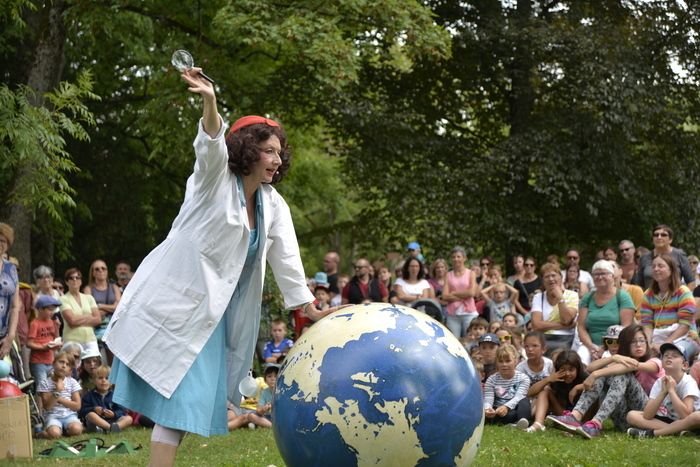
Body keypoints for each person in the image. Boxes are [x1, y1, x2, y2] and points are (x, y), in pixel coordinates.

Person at [103, 65, 341, 467]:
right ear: (248, 150)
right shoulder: (213, 182)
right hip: (176, 304)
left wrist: (303, 304)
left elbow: (285, 254)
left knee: (178, 405)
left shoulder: (272, 203)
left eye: (279, 153)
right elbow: (211, 144)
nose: (276, 160)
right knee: (177, 403)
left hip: (217, 318)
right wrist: (209, 102)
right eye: (268, 151)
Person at [547, 325, 664, 439]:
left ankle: (596, 423)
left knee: (618, 374)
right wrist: (612, 358)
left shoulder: (655, 361)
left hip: (649, 417)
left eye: (642, 341)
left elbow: (632, 366)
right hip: (625, 422)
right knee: (605, 373)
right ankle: (576, 416)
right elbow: (590, 368)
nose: (638, 345)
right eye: (633, 342)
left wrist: (595, 374)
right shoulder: (619, 362)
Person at [626, 341, 699, 438]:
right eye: (666, 355)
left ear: (684, 365)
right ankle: (678, 431)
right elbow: (647, 415)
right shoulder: (660, 382)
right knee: (632, 415)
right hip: (669, 419)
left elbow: (686, 415)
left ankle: (652, 434)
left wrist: (672, 391)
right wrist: (663, 392)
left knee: (697, 416)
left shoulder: (688, 382)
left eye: (674, 355)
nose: (669, 357)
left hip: (689, 421)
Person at [576, 260, 635, 365]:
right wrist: (592, 347)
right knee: (579, 361)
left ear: (612, 276)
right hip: (590, 345)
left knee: (606, 364)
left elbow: (626, 328)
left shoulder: (622, 297)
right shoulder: (587, 298)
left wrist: (605, 347)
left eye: (603, 273)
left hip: (616, 345)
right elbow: (581, 327)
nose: (599, 277)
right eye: (596, 274)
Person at [640, 253, 698, 356]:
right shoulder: (648, 295)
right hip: (657, 338)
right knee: (642, 353)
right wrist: (648, 344)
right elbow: (647, 325)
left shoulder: (683, 292)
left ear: (671, 270)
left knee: (671, 353)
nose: (656, 269)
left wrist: (665, 344)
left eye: (660, 266)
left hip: (686, 338)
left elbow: (685, 326)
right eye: (653, 266)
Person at [524, 350, 588, 433]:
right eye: (563, 370)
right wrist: (548, 379)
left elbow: (596, 386)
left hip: (582, 416)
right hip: (563, 416)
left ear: (578, 369)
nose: (567, 373)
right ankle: (538, 423)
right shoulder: (557, 378)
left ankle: (584, 426)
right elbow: (529, 393)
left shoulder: (584, 377)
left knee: (591, 390)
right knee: (545, 390)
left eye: (571, 370)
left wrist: (578, 388)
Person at [530, 262, 578, 355]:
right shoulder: (538, 297)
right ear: (543, 281)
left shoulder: (572, 295)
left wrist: (560, 298)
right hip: (543, 340)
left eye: (553, 275)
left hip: (566, 340)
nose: (551, 279)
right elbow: (536, 325)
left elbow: (566, 319)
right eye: (547, 276)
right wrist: (565, 326)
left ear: (561, 278)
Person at [37, 350, 83, 439]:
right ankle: (45, 433)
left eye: (68, 364)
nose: (64, 366)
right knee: (54, 434)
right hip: (52, 416)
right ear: (53, 363)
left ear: (70, 369)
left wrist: (58, 398)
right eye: (61, 362)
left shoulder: (72, 382)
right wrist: (57, 390)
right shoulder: (44, 383)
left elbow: (77, 406)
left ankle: (64, 429)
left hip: (70, 415)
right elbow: (47, 407)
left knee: (76, 430)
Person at [634, 224, 695, 290]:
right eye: (656, 235)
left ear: (670, 239)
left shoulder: (679, 255)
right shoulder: (645, 257)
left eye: (663, 235)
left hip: (674, 298)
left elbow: (691, 282)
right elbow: (639, 285)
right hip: (650, 299)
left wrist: (683, 297)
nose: (659, 237)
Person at [483, 344, 531, 427]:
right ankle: (510, 423)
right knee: (488, 413)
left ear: (515, 361)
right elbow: (488, 399)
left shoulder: (524, 378)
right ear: (496, 362)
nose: (504, 364)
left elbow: (518, 397)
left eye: (508, 361)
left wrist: (506, 407)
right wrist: (488, 409)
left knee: (524, 400)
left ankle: (521, 421)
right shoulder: (491, 379)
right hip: (498, 411)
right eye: (500, 361)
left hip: (514, 409)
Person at [83, 259, 122, 363]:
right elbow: (89, 311)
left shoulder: (114, 287)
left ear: (107, 271)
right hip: (96, 328)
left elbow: (119, 308)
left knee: (113, 361)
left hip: (113, 328)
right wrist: (110, 307)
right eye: (97, 269)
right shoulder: (88, 289)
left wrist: (99, 306)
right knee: (97, 362)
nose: (101, 271)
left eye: (103, 268)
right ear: (93, 273)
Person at [27, 295, 62, 406]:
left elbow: (55, 339)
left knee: (52, 386)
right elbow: (29, 343)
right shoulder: (35, 323)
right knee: (42, 388)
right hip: (38, 362)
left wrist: (57, 329)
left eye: (53, 309)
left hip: (50, 360)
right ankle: (40, 413)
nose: (52, 312)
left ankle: (50, 410)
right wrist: (43, 347)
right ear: (41, 309)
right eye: (49, 309)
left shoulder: (52, 322)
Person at [80, 364, 133, 433]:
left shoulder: (115, 395)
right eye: (100, 378)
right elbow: (82, 411)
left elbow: (121, 410)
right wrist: (94, 409)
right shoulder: (89, 395)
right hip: (97, 422)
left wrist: (114, 414)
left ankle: (114, 427)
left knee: (129, 418)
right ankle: (110, 429)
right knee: (91, 415)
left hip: (113, 421)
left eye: (107, 378)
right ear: (94, 381)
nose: (103, 380)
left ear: (112, 382)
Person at [60, 268, 101, 354]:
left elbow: (98, 320)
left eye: (77, 277)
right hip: (72, 340)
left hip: (90, 339)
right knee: (73, 366)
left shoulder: (89, 298)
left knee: (94, 365)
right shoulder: (63, 299)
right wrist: (89, 317)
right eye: (71, 278)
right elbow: (71, 321)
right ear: (67, 282)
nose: (75, 280)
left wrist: (78, 319)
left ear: (81, 281)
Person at [442, 246, 479, 338]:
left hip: (469, 312)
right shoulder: (448, 275)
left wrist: (454, 293)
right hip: (453, 314)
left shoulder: (471, 273)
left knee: (470, 339)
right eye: (453, 257)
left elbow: (471, 293)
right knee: (454, 340)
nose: (456, 259)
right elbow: (445, 296)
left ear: (464, 258)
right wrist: (464, 295)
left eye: (458, 256)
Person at [0, 222, 20, 362]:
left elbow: (15, 306)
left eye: (2, 241)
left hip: (3, 336)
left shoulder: (11, 269)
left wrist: (11, 335)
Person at [248, 364, 279, 428]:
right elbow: (259, 411)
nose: (273, 379)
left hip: (280, 417)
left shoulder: (282, 391)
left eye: (275, 376)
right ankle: (271, 426)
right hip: (268, 416)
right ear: (265, 380)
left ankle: (267, 425)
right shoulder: (264, 392)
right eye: (269, 376)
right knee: (251, 415)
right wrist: (264, 409)